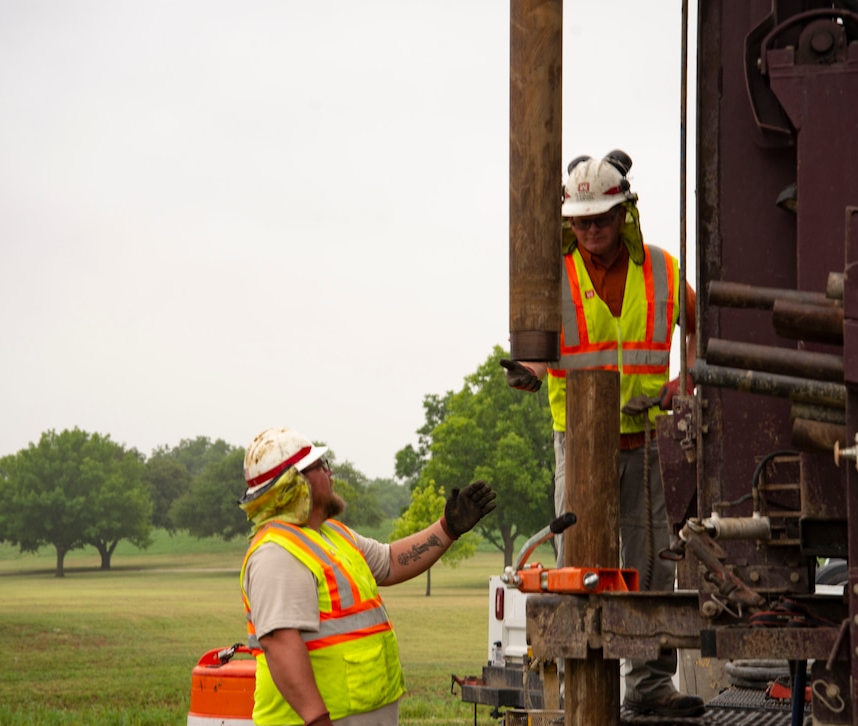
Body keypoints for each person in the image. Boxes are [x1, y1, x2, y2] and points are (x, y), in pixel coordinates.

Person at [500, 151, 702, 718]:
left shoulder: (661, 269)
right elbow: (537, 353)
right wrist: (528, 374)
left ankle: (649, 686)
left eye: (601, 219)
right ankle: (579, 691)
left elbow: (702, 325)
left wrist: (685, 379)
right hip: (582, 447)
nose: (591, 231)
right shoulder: (552, 275)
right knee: (578, 568)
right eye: (581, 221)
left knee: (651, 567)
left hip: (647, 444)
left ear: (625, 213)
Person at [238, 426, 496, 726]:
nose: (330, 472)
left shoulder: (332, 534)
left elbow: (391, 562)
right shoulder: (277, 553)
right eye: (320, 466)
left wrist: (447, 528)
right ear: (294, 484)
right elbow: (280, 643)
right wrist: (317, 718)